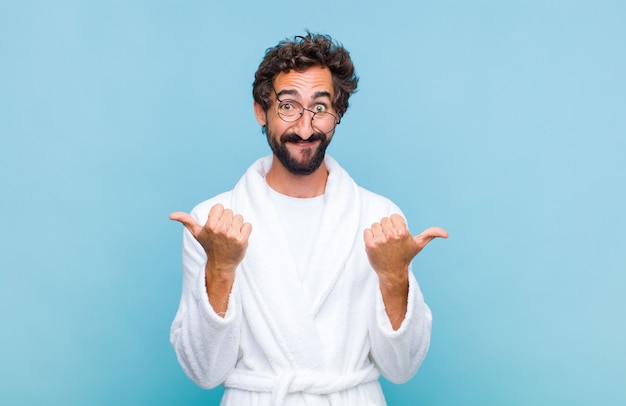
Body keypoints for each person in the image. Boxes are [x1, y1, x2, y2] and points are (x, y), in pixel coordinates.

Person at [169, 32, 448, 405]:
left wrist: (394, 277)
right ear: (260, 110)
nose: (305, 128)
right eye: (288, 106)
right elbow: (204, 372)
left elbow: (402, 369)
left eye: (320, 108)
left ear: (338, 113)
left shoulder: (379, 217)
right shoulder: (212, 223)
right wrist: (220, 269)